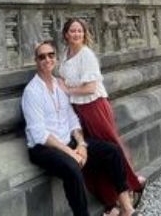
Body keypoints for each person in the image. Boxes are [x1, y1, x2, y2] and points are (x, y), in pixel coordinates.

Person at [21, 39, 137, 216]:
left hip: (68, 142)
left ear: (56, 58)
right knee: (72, 168)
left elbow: (72, 118)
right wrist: (71, 152)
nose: (47, 59)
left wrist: (81, 144)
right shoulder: (32, 91)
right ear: (36, 61)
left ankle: (127, 209)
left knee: (112, 151)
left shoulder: (60, 85)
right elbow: (39, 133)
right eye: (42, 56)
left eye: (51, 55)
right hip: (44, 148)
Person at [58, 18, 146, 209]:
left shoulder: (87, 55)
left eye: (79, 31)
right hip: (79, 110)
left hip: (94, 107)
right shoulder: (65, 56)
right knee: (97, 151)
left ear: (84, 34)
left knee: (112, 144)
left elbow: (90, 88)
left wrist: (67, 90)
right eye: (72, 31)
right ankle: (111, 197)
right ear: (66, 34)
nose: (76, 34)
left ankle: (134, 183)